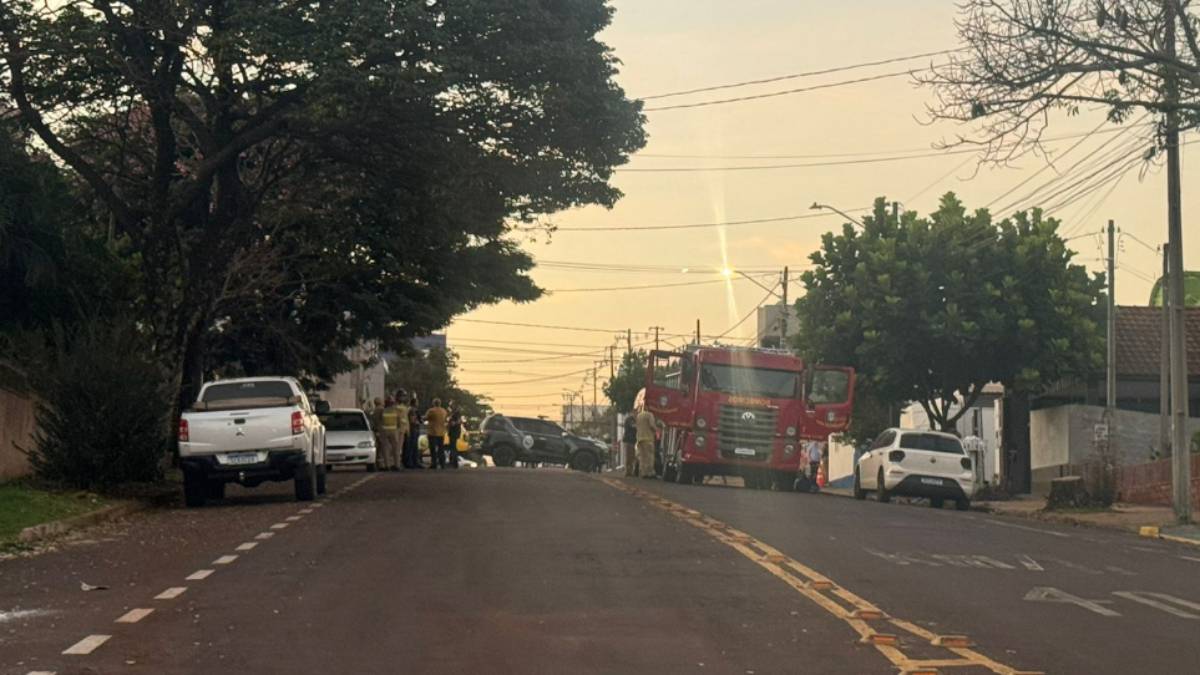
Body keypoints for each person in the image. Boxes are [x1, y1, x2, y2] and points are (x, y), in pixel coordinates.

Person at [425, 398, 449, 470]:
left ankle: (434, 463)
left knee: (433, 449)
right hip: (441, 432)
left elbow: (426, 418)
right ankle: (442, 464)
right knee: (441, 449)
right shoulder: (444, 411)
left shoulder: (431, 411)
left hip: (432, 432)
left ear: (433, 403)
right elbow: (445, 419)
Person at [635, 405, 658, 479]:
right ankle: (649, 473)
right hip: (648, 438)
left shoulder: (639, 416)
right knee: (649, 457)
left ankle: (643, 472)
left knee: (642, 457)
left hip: (639, 438)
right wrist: (656, 430)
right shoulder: (649, 415)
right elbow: (652, 425)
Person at [378, 397, 399, 471]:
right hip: (394, 431)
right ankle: (397, 465)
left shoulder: (383, 411)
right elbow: (399, 421)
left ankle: (387, 466)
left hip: (385, 431)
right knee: (395, 449)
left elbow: (380, 420)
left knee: (385, 449)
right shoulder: (396, 411)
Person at [390, 390, 409, 472]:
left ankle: (396, 464)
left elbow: (406, 420)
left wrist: (408, 429)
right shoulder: (395, 407)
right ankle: (396, 464)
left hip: (402, 429)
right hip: (397, 429)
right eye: (402, 396)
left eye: (404, 396)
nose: (403, 398)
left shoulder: (404, 407)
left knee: (398, 448)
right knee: (396, 448)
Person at [367, 397, 385, 470]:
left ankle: (378, 463)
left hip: (375, 430)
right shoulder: (381, 409)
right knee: (381, 448)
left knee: (378, 447)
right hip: (381, 430)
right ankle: (381, 464)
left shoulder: (373, 410)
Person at [405, 394, 423, 469]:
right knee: (412, 446)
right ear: (415, 403)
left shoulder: (409, 409)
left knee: (413, 446)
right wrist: (419, 422)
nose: (418, 403)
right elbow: (413, 420)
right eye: (417, 402)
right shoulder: (412, 410)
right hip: (413, 429)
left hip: (412, 429)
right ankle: (412, 462)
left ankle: (413, 462)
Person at [446, 401, 463, 469]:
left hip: (454, 432)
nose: (449, 407)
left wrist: (450, 422)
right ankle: (453, 462)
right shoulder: (455, 413)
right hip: (454, 432)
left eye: (451, 405)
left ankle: (454, 463)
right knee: (452, 446)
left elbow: (456, 422)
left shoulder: (455, 414)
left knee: (453, 447)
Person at [622, 412, 638, 477]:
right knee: (629, 457)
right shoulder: (630, 419)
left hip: (632, 441)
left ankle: (630, 471)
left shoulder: (632, 419)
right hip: (629, 440)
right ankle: (628, 472)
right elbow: (633, 427)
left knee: (632, 456)